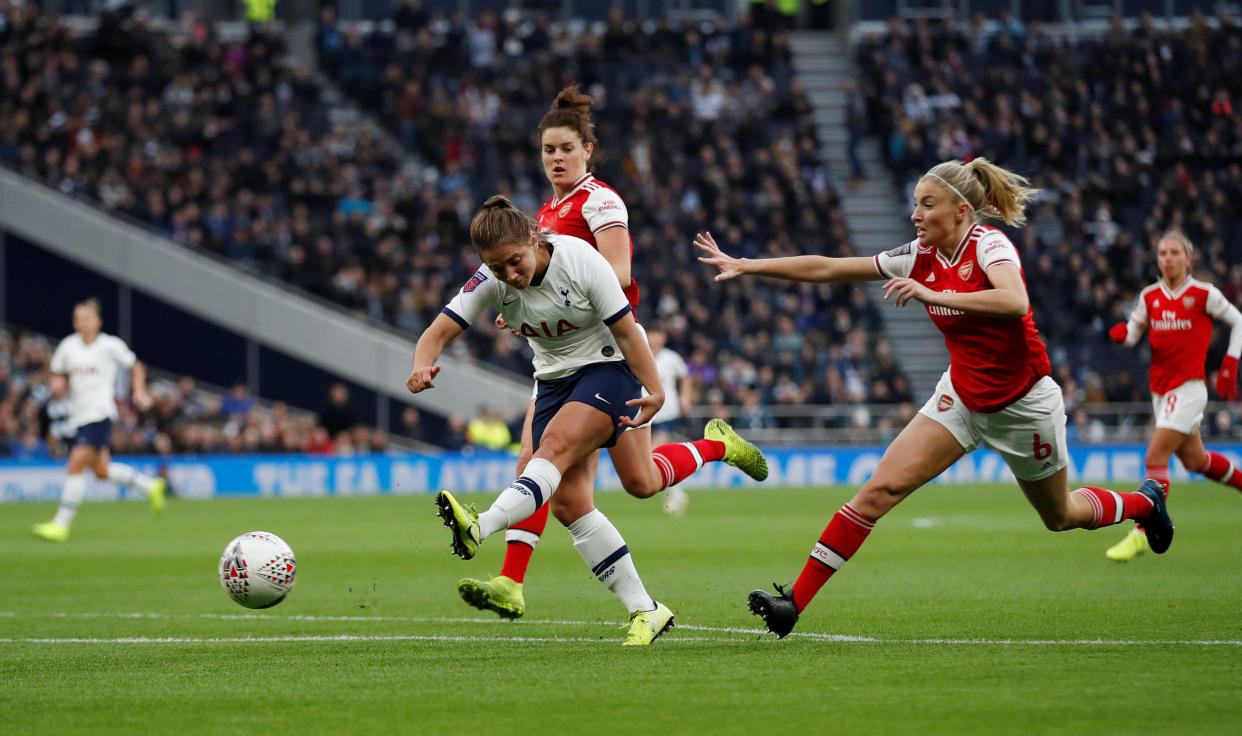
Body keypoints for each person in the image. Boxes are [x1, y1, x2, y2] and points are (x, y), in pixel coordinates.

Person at [695, 158, 1175, 638]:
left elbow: (1015, 302)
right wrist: (749, 265)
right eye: (914, 204)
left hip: (1023, 407)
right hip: (961, 400)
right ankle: (792, 603)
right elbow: (831, 267)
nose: (915, 215)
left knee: (1061, 516)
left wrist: (930, 293)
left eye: (927, 204)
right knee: (876, 493)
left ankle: (1144, 504)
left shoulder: (989, 245)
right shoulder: (919, 254)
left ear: (962, 210)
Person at [457, 85, 766, 620]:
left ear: (587, 152)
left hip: (608, 351)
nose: (556, 158)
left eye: (566, 149)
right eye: (548, 151)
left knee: (539, 458)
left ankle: (510, 578)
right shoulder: (543, 214)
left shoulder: (600, 201)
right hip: (565, 356)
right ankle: (716, 447)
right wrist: (525, 304)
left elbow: (618, 275)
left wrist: (555, 303)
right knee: (637, 482)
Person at [409, 196, 688, 644]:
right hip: (554, 382)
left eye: (515, 262)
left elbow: (627, 330)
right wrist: (422, 366)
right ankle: (646, 610)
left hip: (609, 368)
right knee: (568, 504)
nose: (510, 276)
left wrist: (653, 389)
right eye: (498, 269)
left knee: (552, 450)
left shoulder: (580, 261)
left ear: (535, 239)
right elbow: (436, 332)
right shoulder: (491, 277)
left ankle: (480, 526)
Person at [1102, 232, 1242, 561]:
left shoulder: (1203, 294)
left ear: (1187, 259)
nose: (1167, 258)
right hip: (1160, 391)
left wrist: (1230, 362)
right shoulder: (1150, 296)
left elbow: (1238, 321)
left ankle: (1140, 533)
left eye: (1174, 252)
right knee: (1196, 461)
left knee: (1155, 457)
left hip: (1189, 388)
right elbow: (1133, 333)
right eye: (1162, 253)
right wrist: (1121, 335)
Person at [32, 298, 167, 542]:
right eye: (77, 319)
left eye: (86, 319)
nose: (81, 323)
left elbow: (136, 366)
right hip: (79, 416)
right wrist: (57, 384)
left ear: (98, 322)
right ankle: (151, 486)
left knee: (75, 464)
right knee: (101, 471)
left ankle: (61, 525)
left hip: (100, 413)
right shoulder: (68, 346)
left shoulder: (109, 345)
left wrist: (139, 392)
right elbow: (56, 372)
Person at [646, 322, 694, 515]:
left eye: (657, 334)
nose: (654, 338)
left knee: (652, 454)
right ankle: (675, 492)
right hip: (645, 415)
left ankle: (676, 494)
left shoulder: (671, 358)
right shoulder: (639, 354)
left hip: (667, 412)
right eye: (651, 333)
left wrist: (685, 396)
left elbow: (686, 376)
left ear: (663, 337)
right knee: (650, 458)